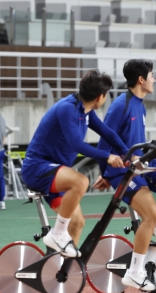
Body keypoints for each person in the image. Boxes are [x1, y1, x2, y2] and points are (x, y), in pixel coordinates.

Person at [93, 59, 156, 291]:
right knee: (148, 214)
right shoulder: (121, 105)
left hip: (143, 162)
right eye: (151, 75)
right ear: (141, 79)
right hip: (123, 169)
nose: (154, 79)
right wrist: (106, 172)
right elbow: (105, 140)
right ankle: (135, 271)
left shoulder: (140, 104)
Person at [21, 69, 128, 258]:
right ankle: (57, 234)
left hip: (55, 173)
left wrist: (128, 155)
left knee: (77, 222)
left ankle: (60, 275)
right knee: (81, 181)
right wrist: (107, 156)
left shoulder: (85, 110)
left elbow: (107, 133)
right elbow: (75, 144)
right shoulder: (67, 108)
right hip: (37, 168)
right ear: (100, 97)